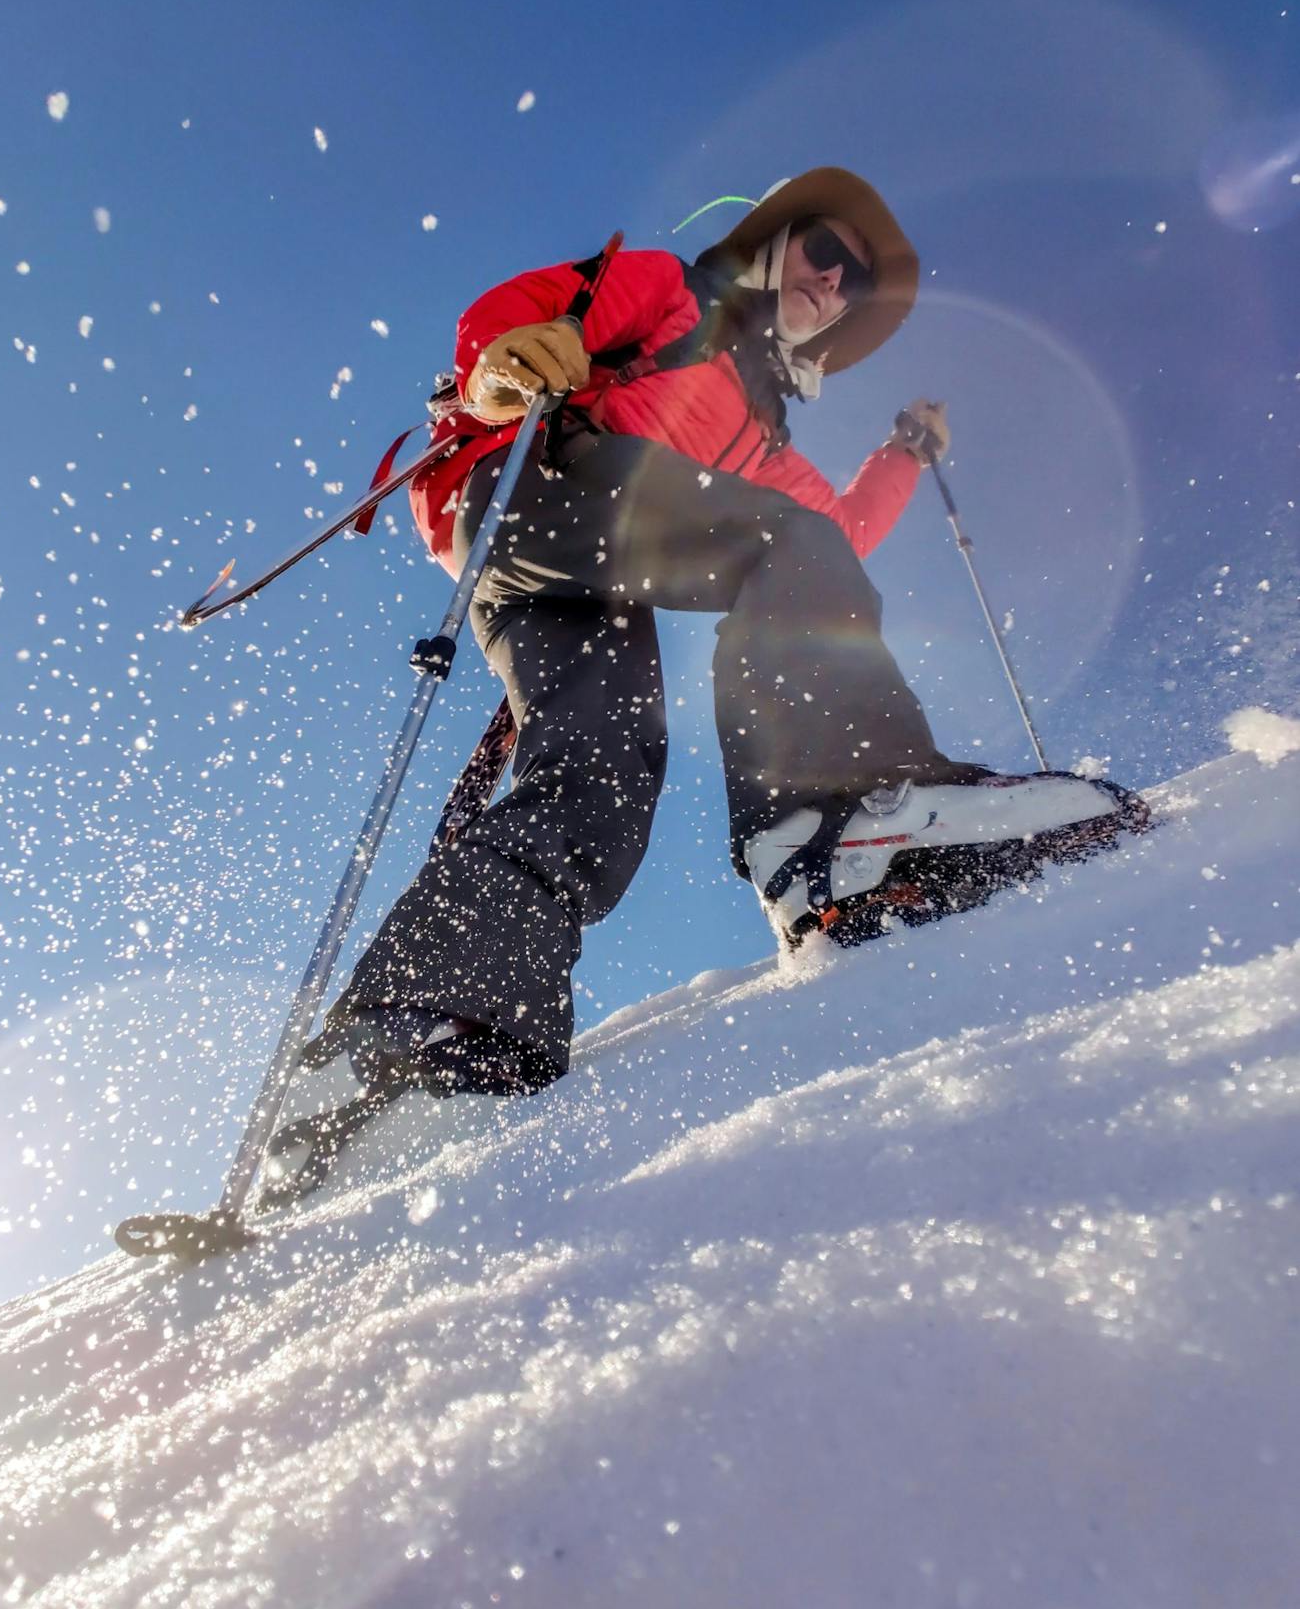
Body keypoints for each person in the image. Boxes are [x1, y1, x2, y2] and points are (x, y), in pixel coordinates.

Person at [318, 169, 1136, 1101]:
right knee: (788, 543)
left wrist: (903, 454)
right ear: (776, 242)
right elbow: (536, 307)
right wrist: (507, 359)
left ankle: (425, 1029)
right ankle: (830, 824)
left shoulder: (766, 441)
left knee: (603, 762)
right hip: (527, 484)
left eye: (851, 285)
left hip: (567, 564)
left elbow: (840, 543)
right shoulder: (674, 297)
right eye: (825, 252)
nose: (832, 284)